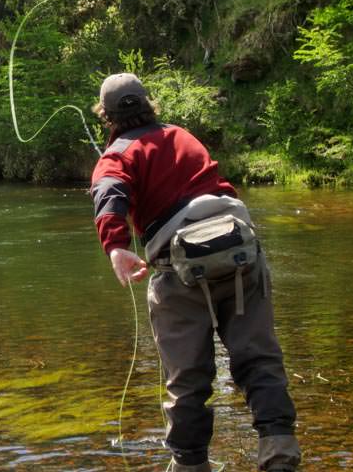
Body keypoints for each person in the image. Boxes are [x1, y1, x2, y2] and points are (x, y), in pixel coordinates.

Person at [89, 73, 301, 472]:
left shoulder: (115, 156)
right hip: (242, 255)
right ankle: (280, 455)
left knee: (186, 378)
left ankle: (190, 466)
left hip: (180, 273)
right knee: (259, 360)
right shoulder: (182, 135)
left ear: (108, 116)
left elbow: (109, 192)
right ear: (148, 104)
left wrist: (116, 247)